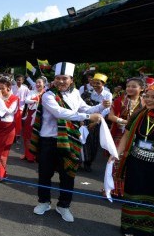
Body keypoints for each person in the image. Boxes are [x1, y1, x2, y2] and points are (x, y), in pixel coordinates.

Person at [31, 62, 110, 222]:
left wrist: (101, 106)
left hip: (69, 139)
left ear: (71, 79)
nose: (61, 81)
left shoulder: (75, 94)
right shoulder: (48, 95)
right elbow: (60, 113)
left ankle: (64, 206)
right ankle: (44, 202)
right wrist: (87, 117)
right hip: (49, 141)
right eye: (58, 78)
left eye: (64, 78)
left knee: (68, 175)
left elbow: (85, 108)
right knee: (45, 174)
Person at [114, 73, 154, 236]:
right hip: (137, 162)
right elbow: (126, 136)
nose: (149, 100)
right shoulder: (139, 114)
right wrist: (117, 154)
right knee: (134, 193)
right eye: (147, 96)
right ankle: (130, 226)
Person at [107, 77, 145, 196]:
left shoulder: (145, 102)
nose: (130, 88)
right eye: (128, 86)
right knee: (117, 160)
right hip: (120, 135)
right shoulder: (120, 100)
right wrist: (123, 121)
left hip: (137, 136)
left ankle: (127, 190)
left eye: (134, 86)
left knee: (132, 163)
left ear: (142, 89)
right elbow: (110, 116)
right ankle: (113, 189)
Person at [0, 75, 20, 181]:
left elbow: (8, 111)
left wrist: (0, 99)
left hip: (8, 128)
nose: (0, 91)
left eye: (2, 88)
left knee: (3, 152)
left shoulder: (14, 99)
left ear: (9, 88)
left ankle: (1, 174)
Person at [81, 73, 113, 172]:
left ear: (103, 84)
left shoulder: (108, 94)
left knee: (94, 143)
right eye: (93, 83)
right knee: (83, 140)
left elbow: (106, 109)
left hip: (99, 121)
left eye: (98, 83)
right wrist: (81, 120)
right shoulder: (87, 93)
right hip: (86, 118)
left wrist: (97, 121)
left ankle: (88, 163)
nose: (95, 85)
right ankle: (80, 161)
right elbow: (81, 107)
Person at [21, 77, 47, 162]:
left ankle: (37, 155)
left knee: (38, 136)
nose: (38, 84)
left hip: (41, 117)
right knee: (27, 136)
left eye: (40, 82)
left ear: (44, 84)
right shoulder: (32, 92)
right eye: (36, 82)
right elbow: (26, 100)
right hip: (31, 116)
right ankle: (28, 155)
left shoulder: (46, 94)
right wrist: (36, 100)